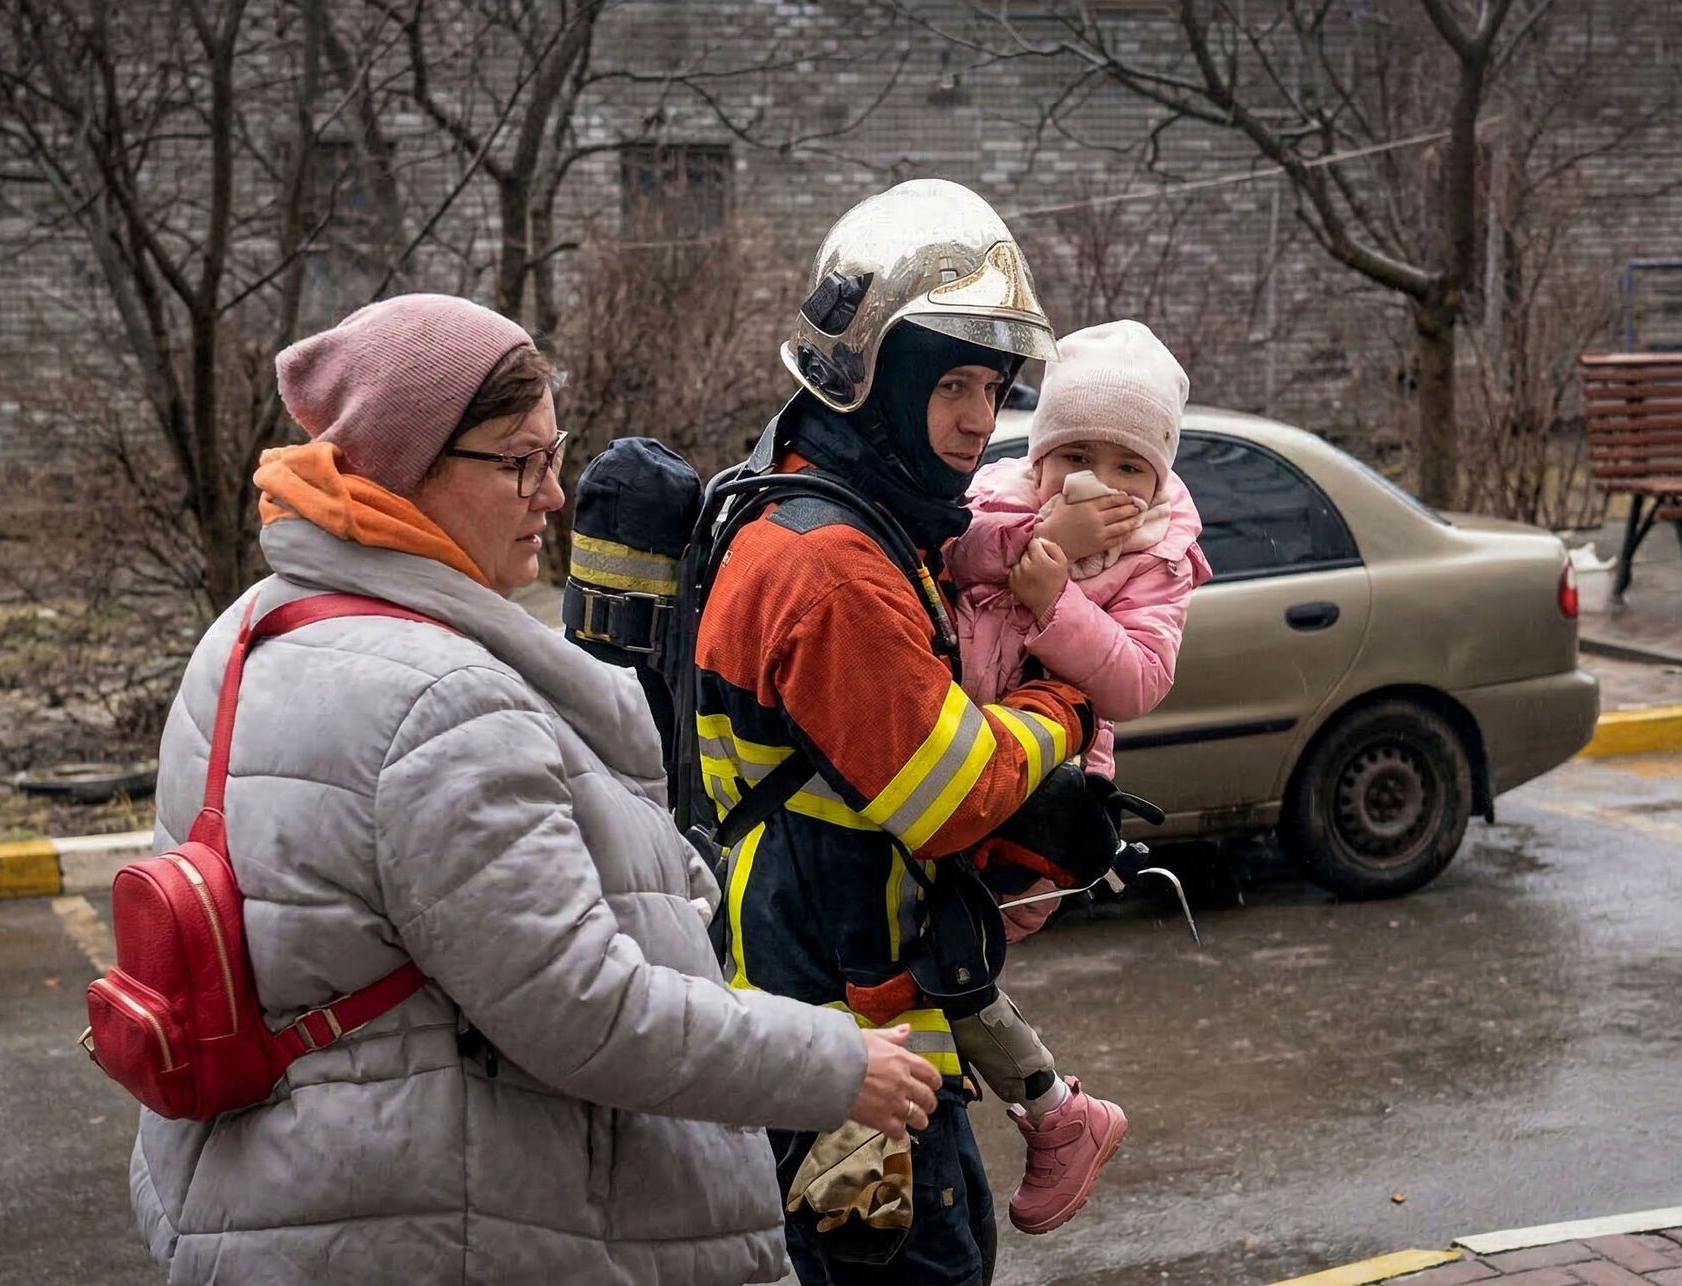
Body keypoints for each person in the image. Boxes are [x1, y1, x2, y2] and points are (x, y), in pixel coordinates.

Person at [129, 293, 942, 1286]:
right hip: (447, 1220)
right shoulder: (439, 701)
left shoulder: (250, 629)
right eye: (520, 460)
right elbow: (582, 1007)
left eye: (553, 456)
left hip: (297, 1188)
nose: (550, 496)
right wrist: (837, 1064)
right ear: (404, 463)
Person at [693, 179, 1105, 1286]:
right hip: (843, 1042)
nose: (981, 416)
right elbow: (950, 790)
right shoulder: (830, 564)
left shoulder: (835, 513)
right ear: (871, 383)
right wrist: (1064, 706)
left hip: (859, 1019)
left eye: (993, 384)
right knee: (901, 1271)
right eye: (952, 383)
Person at [942, 319, 1213, 1234]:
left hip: (1040, 809)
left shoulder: (1158, 558)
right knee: (923, 959)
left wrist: (1051, 603)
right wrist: (1033, 537)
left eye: (1129, 466)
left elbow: (1138, 681)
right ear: (1042, 455)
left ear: (1160, 477)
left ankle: (1056, 1119)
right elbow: (934, 553)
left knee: (940, 955)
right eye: (1077, 455)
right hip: (945, 766)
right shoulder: (994, 502)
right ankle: (1055, 1118)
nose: (1103, 482)